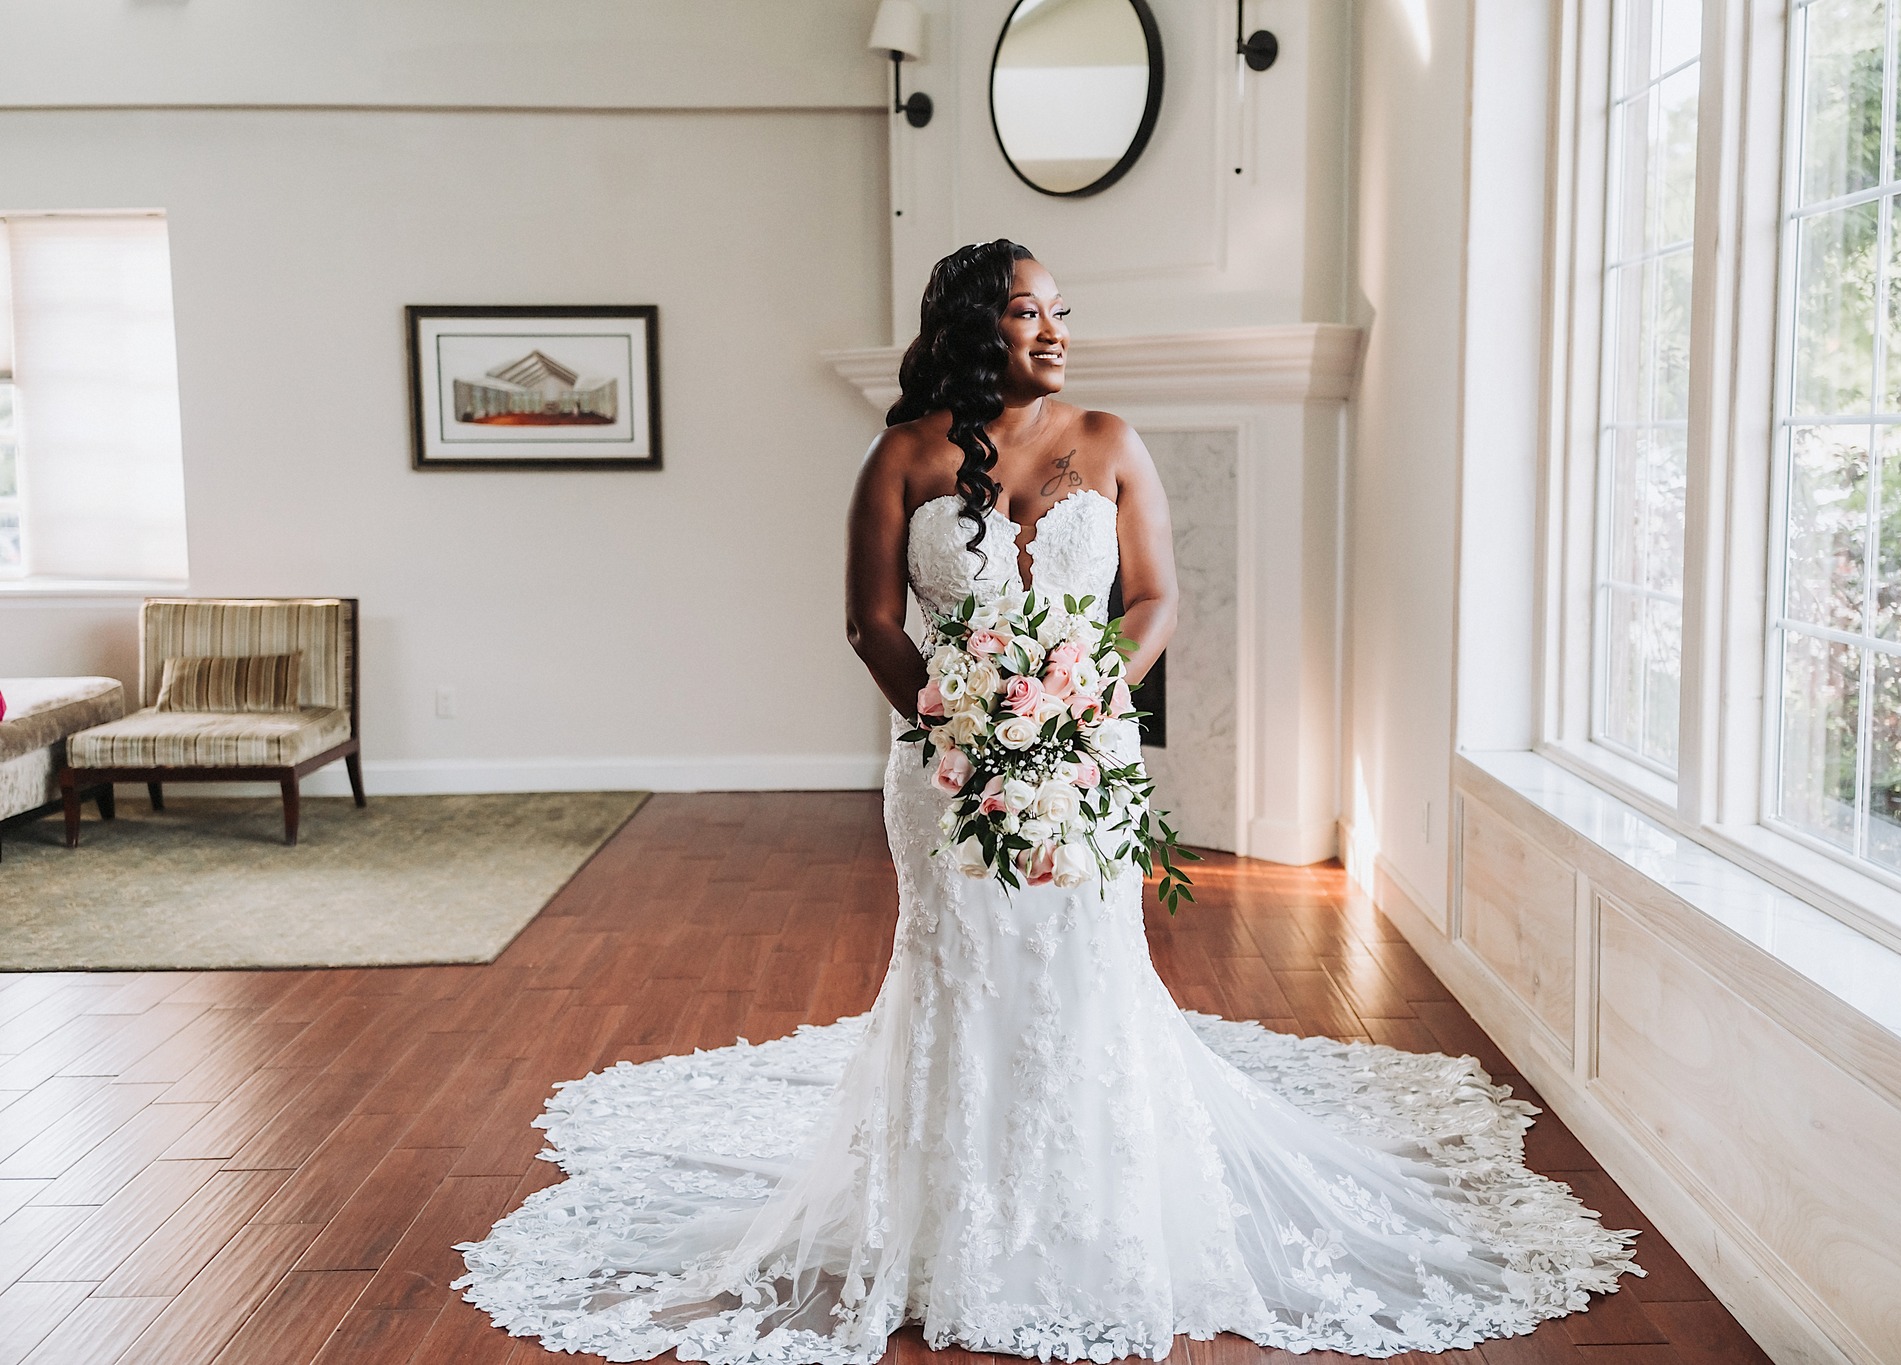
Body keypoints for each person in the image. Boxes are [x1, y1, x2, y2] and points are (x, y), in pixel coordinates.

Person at [455, 241, 1640, 1363]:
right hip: (943, 767)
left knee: (1082, 966)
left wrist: (1076, 705)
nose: (1057, 330)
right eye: (1030, 311)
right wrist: (957, 725)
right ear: (976, 328)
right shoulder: (903, 456)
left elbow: (1156, 600)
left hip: (1082, 754)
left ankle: (1094, 1214)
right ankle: (949, 1230)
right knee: (960, 968)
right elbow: (870, 621)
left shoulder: (1110, 440)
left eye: (1061, 310)